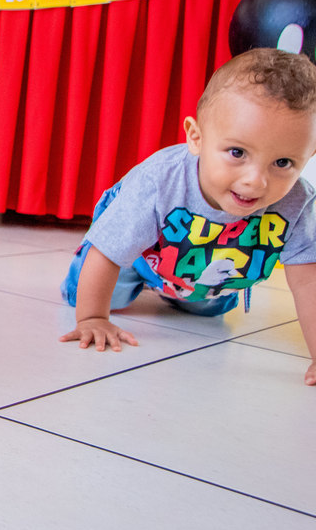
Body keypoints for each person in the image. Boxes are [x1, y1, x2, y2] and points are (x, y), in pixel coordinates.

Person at [59, 47, 316, 386]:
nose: (256, 180)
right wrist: (92, 317)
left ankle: (175, 293)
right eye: (237, 153)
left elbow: (309, 281)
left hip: (204, 268)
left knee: (209, 311)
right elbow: (108, 251)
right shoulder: (159, 182)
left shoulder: (298, 202)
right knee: (100, 290)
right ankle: (103, 284)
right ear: (196, 137)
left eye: (283, 163)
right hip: (139, 254)